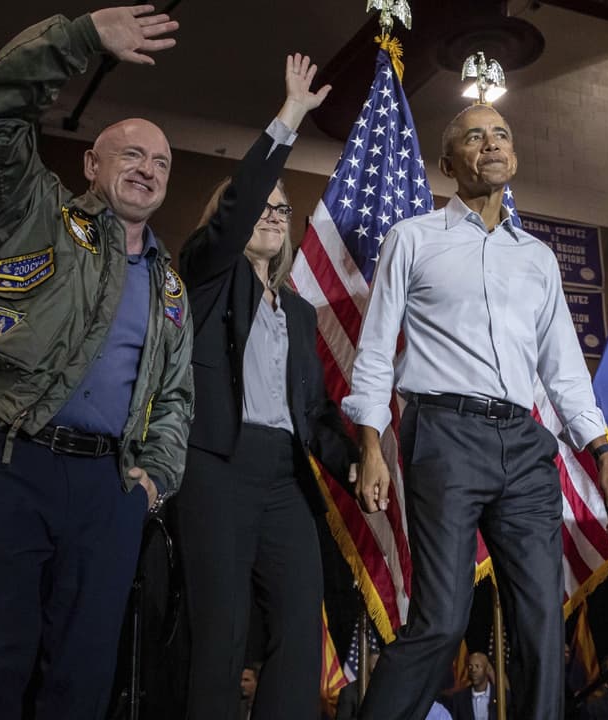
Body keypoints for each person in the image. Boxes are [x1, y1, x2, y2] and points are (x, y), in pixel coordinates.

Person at [345, 101, 608, 720]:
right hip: (444, 438)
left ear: (515, 155)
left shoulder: (538, 258)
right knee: (443, 621)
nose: (491, 143)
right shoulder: (413, 238)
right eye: (474, 137)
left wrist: (602, 452)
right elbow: (372, 351)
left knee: (540, 628)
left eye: (501, 133)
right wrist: (370, 444)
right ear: (449, 164)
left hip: (526, 447)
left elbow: (564, 369)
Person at [0, 6, 192, 719]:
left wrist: (152, 484)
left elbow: (175, 399)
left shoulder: (171, 287)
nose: (147, 169)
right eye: (131, 154)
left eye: (162, 162)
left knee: (83, 685)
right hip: (7, 463)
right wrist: (78, 39)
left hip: (106, 489)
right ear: (92, 163)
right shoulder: (36, 213)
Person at [174, 54, 354, 720]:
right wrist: (291, 117)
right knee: (221, 635)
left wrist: (360, 458)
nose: (273, 213)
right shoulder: (208, 274)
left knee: (300, 634)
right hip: (218, 466)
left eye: (283, 207)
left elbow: (312, 412)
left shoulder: (300, 312)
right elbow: (238, 208)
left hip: (286, 479)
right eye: (260, 205)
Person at [445, 653, 503, 720]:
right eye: (470, 666)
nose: (473, 670)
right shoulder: (458, 699)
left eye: (477, 666)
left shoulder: (501, 696)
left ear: (487, 669)